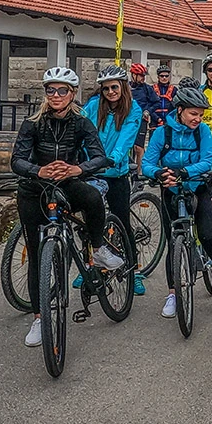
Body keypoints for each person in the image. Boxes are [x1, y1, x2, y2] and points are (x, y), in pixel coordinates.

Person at [12, 67, 119, 347]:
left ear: (72, 94)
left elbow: (99, 156)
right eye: (51, 90)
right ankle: (39, 319)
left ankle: (99, 248)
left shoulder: (81, 122)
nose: (56, 95)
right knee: (36, 255)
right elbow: (16, 160)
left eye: (62, 90)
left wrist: (77, 169)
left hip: (68, 182)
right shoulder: (32, 123)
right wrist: (38, 171)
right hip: (36, 187)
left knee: (93, 198)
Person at [142, 87, 212, 316]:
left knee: (206, 234)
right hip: (171, 190)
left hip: (199, 187)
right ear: (179, 110)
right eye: (193, 114)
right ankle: (172, 294)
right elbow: (147, 163)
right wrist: (158, 174)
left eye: (201, 115)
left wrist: (185, 172)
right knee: (172, 242)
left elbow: (209, 159)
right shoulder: (162, 133)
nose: (198, 119)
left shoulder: (203, 132)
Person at [83, 65, 146, 295]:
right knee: (89, 224)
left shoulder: (133, 110)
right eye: (106, 88)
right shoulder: (93, 106)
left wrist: (112, 159)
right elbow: (81, 130)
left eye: (114, 87)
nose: (110, 92)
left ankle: (134, 271)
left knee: (122, 222)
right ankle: (90, 266)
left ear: (123, 87)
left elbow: (126, 140)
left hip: (115, 172)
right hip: (92, 171)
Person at [128, 62, 154, 171]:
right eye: (141, 75)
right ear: (133, 75)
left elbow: (156, 102)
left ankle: (139, 173)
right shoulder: (126, 87)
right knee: (128, 146)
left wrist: (148, 111)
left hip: (141, 120)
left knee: (139, 148)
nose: (143, 78)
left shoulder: (147, 89)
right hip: (128, 120)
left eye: (144, 76)